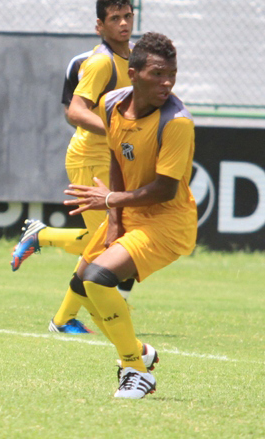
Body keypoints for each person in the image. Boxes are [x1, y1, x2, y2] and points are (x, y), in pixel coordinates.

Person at [64, 31, 196, 398]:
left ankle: (136, 372)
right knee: (83, 290)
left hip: (167, 223)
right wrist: (115, 223)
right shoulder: (109, 104)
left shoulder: (177, 123)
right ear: (134, 73)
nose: (166, 82)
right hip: (130, 214)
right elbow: (116, 158)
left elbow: (164, 189)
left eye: (172, 73)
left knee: (98, 279)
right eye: (157, 73)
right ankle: (139, 353)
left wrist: (109, 201)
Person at [11, 0, 136, 333]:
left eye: (127, 16)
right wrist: (115, 132)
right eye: (115, 18)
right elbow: (75, 111)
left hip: (111, 160)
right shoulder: (100, 62)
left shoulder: (133, 60)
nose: (123, 23)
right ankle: (63, 318)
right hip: (90, 158)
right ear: (99, 25)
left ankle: (42, 239)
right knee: (110, 241)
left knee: (109, 240)